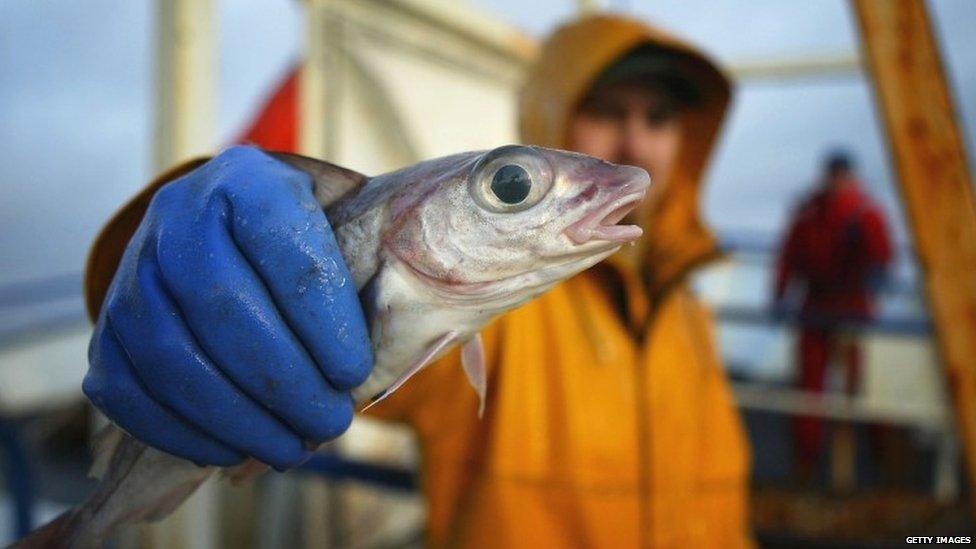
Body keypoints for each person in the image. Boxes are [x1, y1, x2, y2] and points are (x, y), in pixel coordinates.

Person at [83, 14, 752, 547]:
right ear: (554, 115)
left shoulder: (691, 309)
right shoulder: (503, 306)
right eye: (608, 110)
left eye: (659, 119)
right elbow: (263, 324)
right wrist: (166, 267)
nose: (635, 147)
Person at [774, 150, 893, 473]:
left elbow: (883, 256)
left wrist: (876, 271)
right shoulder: (810, 213)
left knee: (865, 389)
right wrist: (780, 294)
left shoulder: (865, 214)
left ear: (850, 177)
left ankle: (883, 461)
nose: (838, 183)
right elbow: (789, 255)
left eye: (842, 177)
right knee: (810, 393)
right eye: (834, 177)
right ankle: (806, 462)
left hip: (853, 309)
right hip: (816, 308)